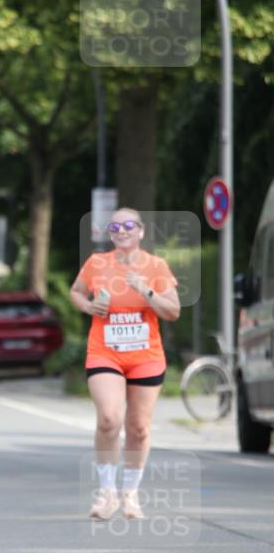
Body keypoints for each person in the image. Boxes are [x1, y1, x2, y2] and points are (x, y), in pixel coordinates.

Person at [70, 207, 181, 520]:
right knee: (108, 418)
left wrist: (145, 290)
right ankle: (107, 493)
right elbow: (75, 292)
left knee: (140, 428)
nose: (122, 231)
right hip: (105, 352)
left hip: (146, 356)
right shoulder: (97, 263)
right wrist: (91, 306)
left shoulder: (156, 266)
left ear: (141, 231)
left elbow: (173, 311)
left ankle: (130, 494)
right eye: (115, 227)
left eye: (129, 225)